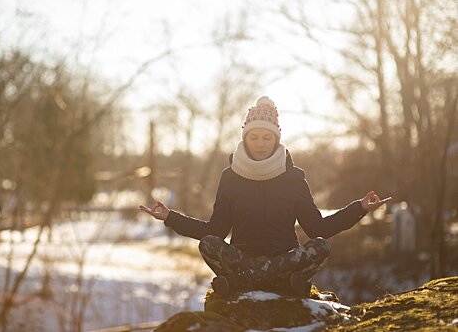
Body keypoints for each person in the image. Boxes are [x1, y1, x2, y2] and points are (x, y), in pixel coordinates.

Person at [139, 96, 392, 298]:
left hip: (284, 258)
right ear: (245, 138)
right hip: (242, 258)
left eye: (266, 137)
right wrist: (169, 217)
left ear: (276, 139)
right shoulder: (230, 177)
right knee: (207, 244)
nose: (260, 143)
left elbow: (318, 228)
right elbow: (215, 230)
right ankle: (281, 283)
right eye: (254, 137)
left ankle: (243, 281)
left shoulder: (294, 178)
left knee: (320, 247)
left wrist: (359, 208)